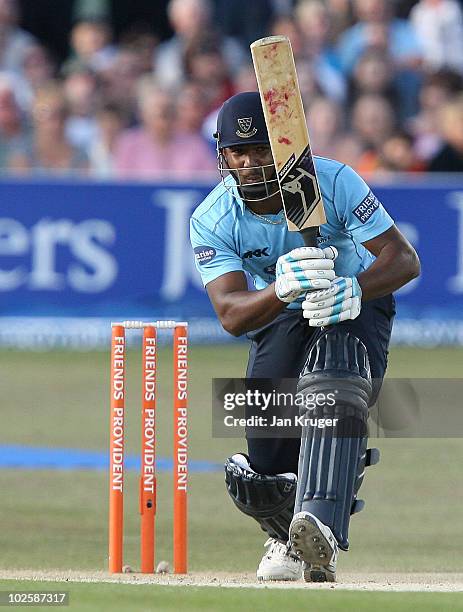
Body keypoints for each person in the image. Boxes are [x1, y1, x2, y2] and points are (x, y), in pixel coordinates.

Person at [189, 92, 420, 582]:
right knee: (264, 464)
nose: (248, 163)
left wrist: (352, 288)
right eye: (237, 152)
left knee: (334, 389)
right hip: (282, 306)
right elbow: (231, 315)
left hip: (356, 300)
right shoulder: (213, 218)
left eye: (260, 151)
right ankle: (287, 539)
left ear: (282, 147)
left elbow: (403, 259)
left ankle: (322, 526)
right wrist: (282, 287)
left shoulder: (332, 181)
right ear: (222, 155)